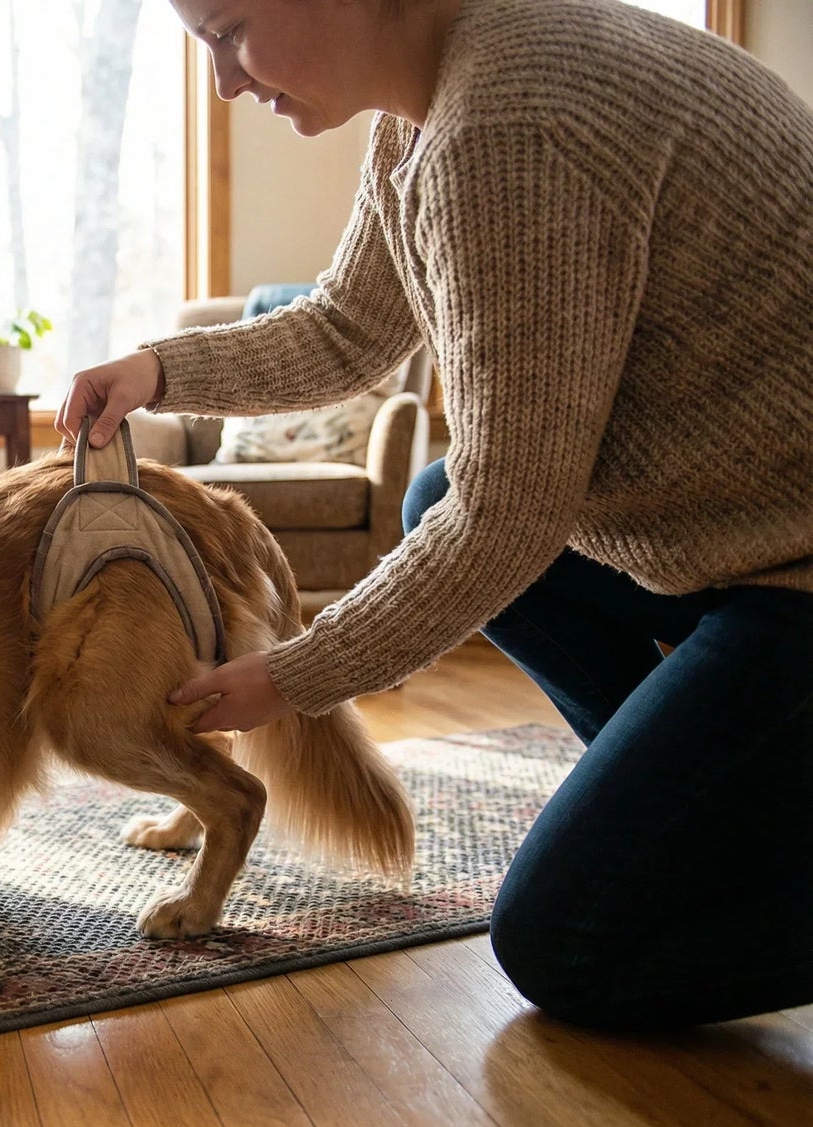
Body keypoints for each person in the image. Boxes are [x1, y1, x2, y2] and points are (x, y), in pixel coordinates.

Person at [57, 0, 813, 1031]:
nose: (225, 81)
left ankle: (724, 819)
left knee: (566, 941)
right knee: (428, 497)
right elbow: (346, 328)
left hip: (793, 564)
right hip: (740, 525)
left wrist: (290, 675)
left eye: (228, 31)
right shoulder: (427, 104)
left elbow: (507, 517)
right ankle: (727, 814)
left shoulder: (504, 131)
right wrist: (158, 370)